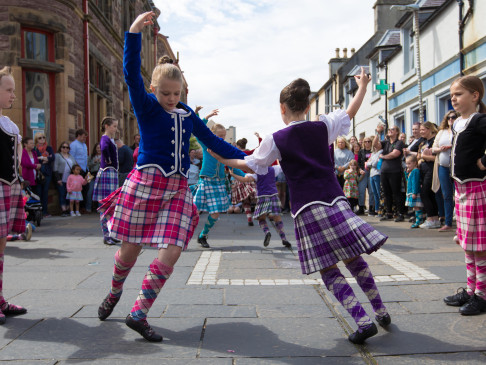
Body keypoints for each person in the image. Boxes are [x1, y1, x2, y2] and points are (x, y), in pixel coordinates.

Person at [96, 11, 246, 342]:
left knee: (176, 246)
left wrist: (249, 158)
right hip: (145, 185)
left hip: (177, 190)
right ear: (154, 89)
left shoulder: (187, 114)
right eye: (165, 93)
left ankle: (139, 311)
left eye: (176, 94)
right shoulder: (146, 105)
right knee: (129, 251)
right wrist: (133, 31)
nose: (171, 99)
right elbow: (130, 74)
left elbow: (214, 142)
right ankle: (114, 291)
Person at [210, 68, 389, 344]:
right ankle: (380, 309)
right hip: (336, 200)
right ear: (307, 106)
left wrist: (223, 159)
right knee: (354, 257)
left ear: (282, 108)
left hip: (307, 209)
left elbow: (251, 164)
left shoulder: (275, 139)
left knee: (328, 268)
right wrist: (363, 85)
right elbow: (351, 112)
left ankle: (363, 321)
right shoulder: (323, 126)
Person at [443, 76, 486, 315]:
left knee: (480, 246)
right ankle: (470, 290)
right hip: (461, 189)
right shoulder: (457, 122)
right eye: (452, 95)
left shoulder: (479, 120)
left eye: (458, 94)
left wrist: (484, 162)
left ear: (475, 95)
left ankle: (482, 294)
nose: (453, 98)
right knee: (468, 245)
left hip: (476, 188)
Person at [0, 66, 28, 324]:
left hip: (8, 186)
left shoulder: (9, 124)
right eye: (9, 90)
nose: (13, 95)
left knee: (2, 245)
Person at [193, 115, 233, 249]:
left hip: (219, 182)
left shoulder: (225, 147)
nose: (222, 138)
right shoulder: (206, 143)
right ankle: (182, 236)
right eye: (220, 136)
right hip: (206, 181)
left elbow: (234, 163)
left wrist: (246, 175)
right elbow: (198, 130)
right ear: (213, 134)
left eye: (224, 136)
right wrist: (204, 117)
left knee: (215, 213)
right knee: (195, 211)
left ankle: (203, 235)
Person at [230, 166, 291, 247]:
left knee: (261, 219)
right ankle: (284, 239)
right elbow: (283, 166)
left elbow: (243, 179)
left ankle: (267, 232)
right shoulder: (274, 169)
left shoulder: (256, 172)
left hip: (262, 197)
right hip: (274, 196)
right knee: (277, 218)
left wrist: (232, 174)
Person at [93, 117, 120, 245]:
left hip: (111, 173)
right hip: (107, 173)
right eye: (114, 126)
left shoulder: (110, 139)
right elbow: (103, 148)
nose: (116, 129)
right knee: (106, 206)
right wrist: (108, 159)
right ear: (107, 126)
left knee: (112, 206)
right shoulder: (105, 138)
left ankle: (110, 233)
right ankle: (106, 235)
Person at [373, 125, 406, 222]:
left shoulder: (399, 143)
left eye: (392, 129)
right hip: (384, 171)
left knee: (396, 193)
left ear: (397, 132)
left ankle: (400, 213)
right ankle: (389, 213)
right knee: (387, 193)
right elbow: (375, 145)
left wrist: (383, 157)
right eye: (389, 129)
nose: (390, 131)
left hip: (395, 171)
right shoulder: (386, 142)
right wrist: (378, 133)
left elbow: (395, 154)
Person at [431, 111, 458, 232]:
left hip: (457, 166)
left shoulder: (460, 130)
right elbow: (433, 148)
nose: (451, 119)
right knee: (446, 194)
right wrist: (440, 149)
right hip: (443, 166)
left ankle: (461, 221)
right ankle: (448, 222)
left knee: (458, 194)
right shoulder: (441, 132)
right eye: (449, 118)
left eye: (453, 117)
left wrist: (451, 147)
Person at [417, 122, 440, 229]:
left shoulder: (435, 140)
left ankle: (431, 218)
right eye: (420, 130)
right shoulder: (423, 142)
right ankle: (434, 219)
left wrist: (424, 157)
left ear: (429, 129)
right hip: (423, 170)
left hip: (431, 170)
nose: (421, 132)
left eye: (423, 129)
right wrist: (421, 157)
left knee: (425, 193)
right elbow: (419, 156)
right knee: (429, 194)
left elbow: (436, 158)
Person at [33, 133, 55, 217]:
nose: (42, 139)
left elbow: (52, 157)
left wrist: (45, 158)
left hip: (47, 172)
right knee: (38, 192)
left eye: (43, 137)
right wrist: (44, 158)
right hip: (38, 173)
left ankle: (45, 211)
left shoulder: (48, 148)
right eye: (39, 138)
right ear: (36, 140)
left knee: (45, 192)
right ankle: (38, 212)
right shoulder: (35, 149)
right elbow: (35, 159)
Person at [54, 142, 77, 216]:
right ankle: (63, 210)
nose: (65, 149)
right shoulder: (58, 155)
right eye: (63, 147)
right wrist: (58, 179)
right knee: (62, 193)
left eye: (67, 147)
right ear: (60, 148)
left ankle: (68, 209)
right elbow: (55, 168)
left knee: (68, 195)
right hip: (61, 178)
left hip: (70, 179)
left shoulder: (71, 156)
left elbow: (75, 166)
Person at [70, 129, 89, 210]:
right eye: (83, 137)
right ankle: (78, 207)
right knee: (77, 189)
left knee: (86, 188)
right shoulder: (74, 145)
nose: (84, 139)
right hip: (78, 169)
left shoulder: (84, 145)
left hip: (85, 169)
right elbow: (72, 157)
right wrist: (76, 167)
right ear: (78, 135)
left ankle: (83, 206)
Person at [404, 155, 424, 228]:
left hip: (414, 192)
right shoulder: (412, 171)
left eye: (409, 163)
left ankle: (419, 220)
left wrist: (414, 192)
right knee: (415, 207)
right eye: (407, 163)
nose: (407, 165)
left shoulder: (415, 171)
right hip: (411, 192)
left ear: (415, 163)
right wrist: (407, 173)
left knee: (416, 207)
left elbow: (415, 182)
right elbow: (408, 180)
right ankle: (418, 219)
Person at [358, 137, 375, 215]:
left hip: (371, 171)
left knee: (371, 191)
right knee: (361, 190)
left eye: (369, 141)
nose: (367, 143)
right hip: (363, 172)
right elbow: (358, 162)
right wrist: (360, 170)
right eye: (365, 141)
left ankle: (371, 208)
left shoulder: (374, 151)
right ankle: (361, 207)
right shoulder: (361, 151)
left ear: (371, 142)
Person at [366, 145, 383, 217]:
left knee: (379, 193)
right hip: (371, 174)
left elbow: (374, 163)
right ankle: (376, 210)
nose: (375, 146)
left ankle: (381, 210)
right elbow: (368, 164)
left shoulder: (381, 152)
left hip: (377, 174)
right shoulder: (373, 154)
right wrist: (371, 163)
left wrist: (371, 163)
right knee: (374, 193)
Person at [86, 143, 102, 212]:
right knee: (90, 191)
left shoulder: (104, 156)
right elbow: (88, 165)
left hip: (101, 175)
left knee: (100, 192)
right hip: (92, 175)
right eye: (97, 148)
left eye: (100, 148)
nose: (99, 149)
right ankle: (88, 207)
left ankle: (99, 207)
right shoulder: (91, 156)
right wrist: (94, 162)